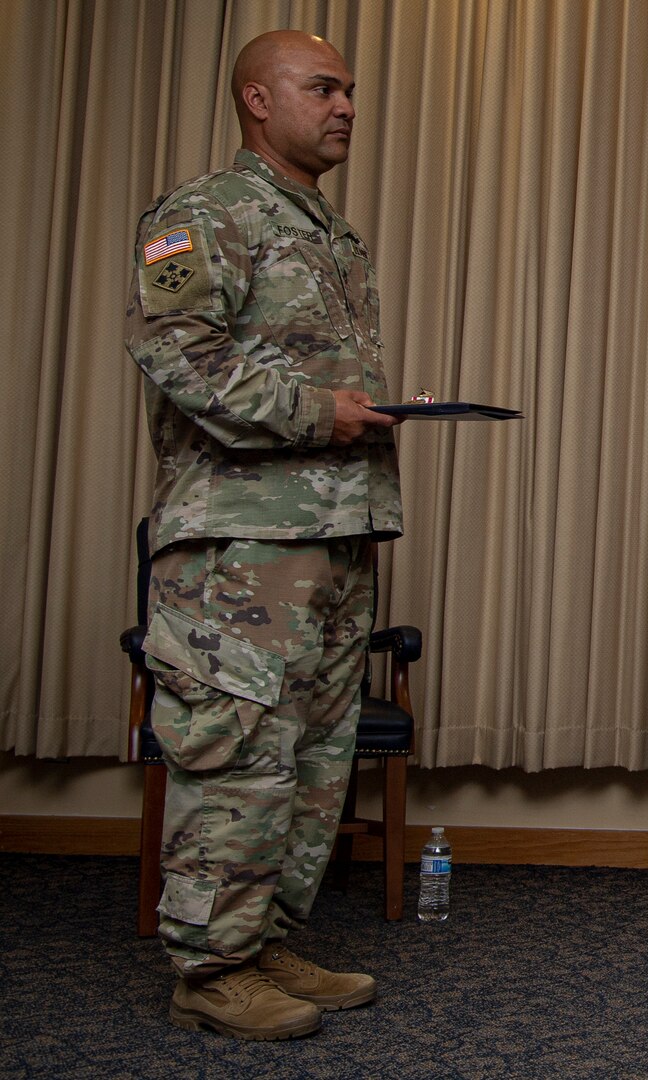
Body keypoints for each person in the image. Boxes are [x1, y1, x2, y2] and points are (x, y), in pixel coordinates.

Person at [126, 29, 404, 1039]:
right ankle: (208, 969)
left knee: (313, 754)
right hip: (241, 545)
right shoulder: (204, 214)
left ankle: (264, 938)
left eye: (351, 91)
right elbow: (180, 359)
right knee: (238, 751)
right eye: (322, 87)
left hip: (330, 535)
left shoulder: (331, 233)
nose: (345, 106)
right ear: (255, 97)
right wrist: (316, 413)